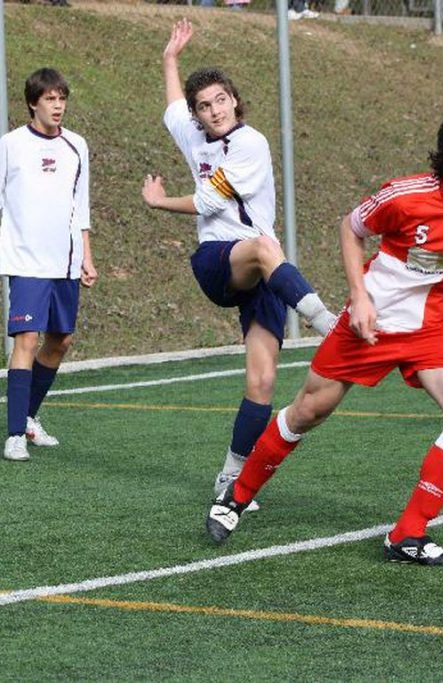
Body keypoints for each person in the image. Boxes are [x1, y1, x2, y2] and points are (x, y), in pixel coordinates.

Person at [206, 105, 443, 567]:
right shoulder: (405, 196)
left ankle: (407, 534)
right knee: (310, 409)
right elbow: (351, 231)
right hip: (374, 321)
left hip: (438, 328)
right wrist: (360, 297)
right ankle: (238, 493)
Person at [143, 19, 338, 508]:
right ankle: (328, 324)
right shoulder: (194, 134)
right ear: (198, 114)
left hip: (261, 274)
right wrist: (170, 58)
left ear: (234, 99)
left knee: (263, 380)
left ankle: (231, 477)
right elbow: (208, 202)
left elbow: (201, 171)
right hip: (217, 261)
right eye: (204, 106)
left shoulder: (251, 143)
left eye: (220, 100)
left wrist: (161, 199)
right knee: (266, 247)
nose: (214, 111)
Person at [0, 67, 97, 462]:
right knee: (27, 340)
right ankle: (13, 435)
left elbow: (80, 205)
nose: (58, 106)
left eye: (62, 99)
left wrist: (87, 254)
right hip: (25, 260)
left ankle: (29, 418)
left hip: (66, 261)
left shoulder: (77, 146)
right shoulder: (12, 145)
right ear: (32, 103)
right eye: (50, 99)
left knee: (62, 342)